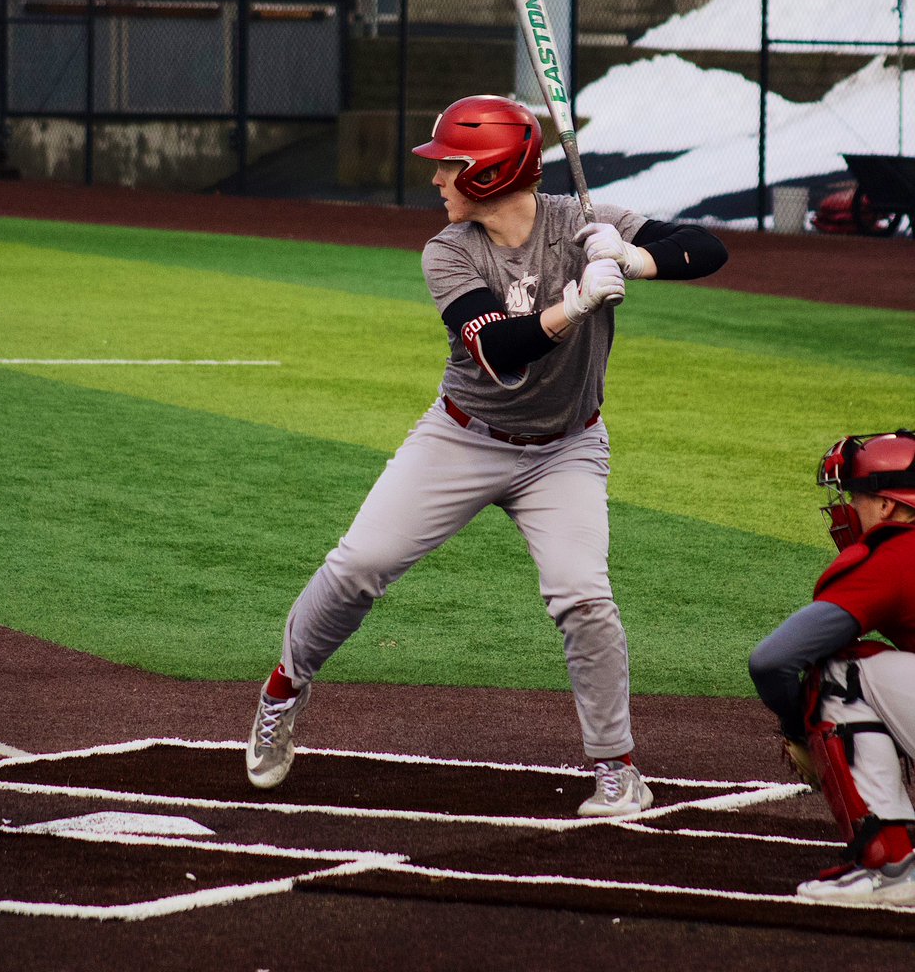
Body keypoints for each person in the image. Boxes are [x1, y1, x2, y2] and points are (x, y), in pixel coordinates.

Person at [247, 94, 728, 816]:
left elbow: (707, 248)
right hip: (463, 436)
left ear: (489, 173)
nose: (436, 179)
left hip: (565, 450)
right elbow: (497, 348)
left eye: (449, 166)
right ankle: (285, 685)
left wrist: (633, 256)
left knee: (583, 598)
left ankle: (616, 769)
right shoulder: (448, 250)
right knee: (358, 567)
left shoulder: (581, 222)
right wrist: (577, 302)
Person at [749, 430, 915, 904]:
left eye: (856, 496)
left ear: (887, 505)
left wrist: (796, 728)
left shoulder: (892, 557)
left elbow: (774, 660)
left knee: (841, 670)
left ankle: (893, 865)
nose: (846, 509)